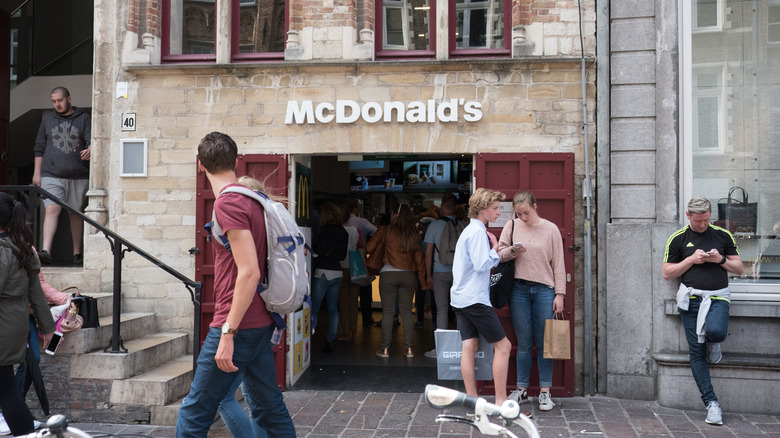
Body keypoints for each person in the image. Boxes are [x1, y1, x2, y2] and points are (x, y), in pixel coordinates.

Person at [176, 132, 295, 437]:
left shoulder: (228, 203)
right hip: (261, 320)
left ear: (200, 165)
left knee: (195, 411)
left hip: (237, 323)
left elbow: (249, 272)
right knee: (269, 409)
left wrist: (227, 333)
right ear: (236, 159)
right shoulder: (255, 200)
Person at [662, 197, 743, 426]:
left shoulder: (722, 235)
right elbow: (667, 273)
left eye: (706, 220)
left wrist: (720, 259)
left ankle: (714, 340)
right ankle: (711, 404)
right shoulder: (678, 238)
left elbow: (739, 268)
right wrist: (690, 260)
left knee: (716, 331)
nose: (703, 225)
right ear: (689, 216)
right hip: (692, 300)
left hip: (718, 297)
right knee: (696, 353)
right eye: (698, 221)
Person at [497, 190, 566, 412]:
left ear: (535, 206)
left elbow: (559, 264)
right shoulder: (512, 225)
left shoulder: (551, 229)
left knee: (546, 342)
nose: (523, 217)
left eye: (526, 212)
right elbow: (499, 254)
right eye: (519, 213)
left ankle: (545, 392)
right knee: (524, 342)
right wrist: (512, 251)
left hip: (545, 290)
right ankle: (522, 389)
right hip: (518, 289)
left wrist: (560, 294)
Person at [0, 192, 56, 436]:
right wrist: (48, 327)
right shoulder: (23, 248)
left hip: (2, 323)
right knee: (6, 389)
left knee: (7, 391)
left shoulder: (3, 251)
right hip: (13, 325)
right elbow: (37, 294)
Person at [449, 188, 512, 405]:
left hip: (460, 297)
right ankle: (501, 402)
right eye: (494, 208)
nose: (497, 212)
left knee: (469, 346)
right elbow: (481, 264)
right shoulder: (477, 232)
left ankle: (473, 400)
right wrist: (495, 249)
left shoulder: (469, 230)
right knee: (504, 347)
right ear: (482, 208)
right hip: (475, 298)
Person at [32, 87, 91, 266]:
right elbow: (39, 146)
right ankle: (46, 251)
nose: (57, 104)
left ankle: (76, 253)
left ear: (69, 99)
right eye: (54, 101)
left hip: (78, 174)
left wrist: (90, 150)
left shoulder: (83, 118)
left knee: (75, 214)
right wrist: (37, 172)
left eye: (60, 100)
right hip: (51, 173)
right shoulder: (48, 120)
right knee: (51, 209)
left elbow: (92, 141)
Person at [367, 203, 426, 358]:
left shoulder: (385, 230)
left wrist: (382, 240)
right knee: (407, 313)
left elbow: (368, 248)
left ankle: (385, 349)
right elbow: (420, 261)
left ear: (395, 215)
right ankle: (409, 349)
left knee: (387, 312)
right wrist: (423, 282)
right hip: (408, 276)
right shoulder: (414, 234)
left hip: (388, 274)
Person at [423, 194, 461, 358]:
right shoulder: (464, 224)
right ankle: (462, 348)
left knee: (442, 310)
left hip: (440, 272)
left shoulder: (434, 226)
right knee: (460, 310)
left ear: (442, 207)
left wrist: (428, 275)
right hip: (460, 273)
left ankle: (442, 349)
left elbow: (428, 254)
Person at [310, 201, 349, 353]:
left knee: (314, 308)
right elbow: (342, 255)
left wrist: (323, 254)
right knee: (333, 309)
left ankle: (308, 337)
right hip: (337, 273)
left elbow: (319, 250)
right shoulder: (343, 232)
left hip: (323, 272)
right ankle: (330, 340)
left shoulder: (324, 231)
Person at [337, 204, 365, 343]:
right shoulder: (356, 230)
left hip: (341, 267)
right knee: (354, 302)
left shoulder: (336, 230)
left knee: (343, 302)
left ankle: (346, 332)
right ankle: (353, 331)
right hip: (354, 267)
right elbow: (361, 247)